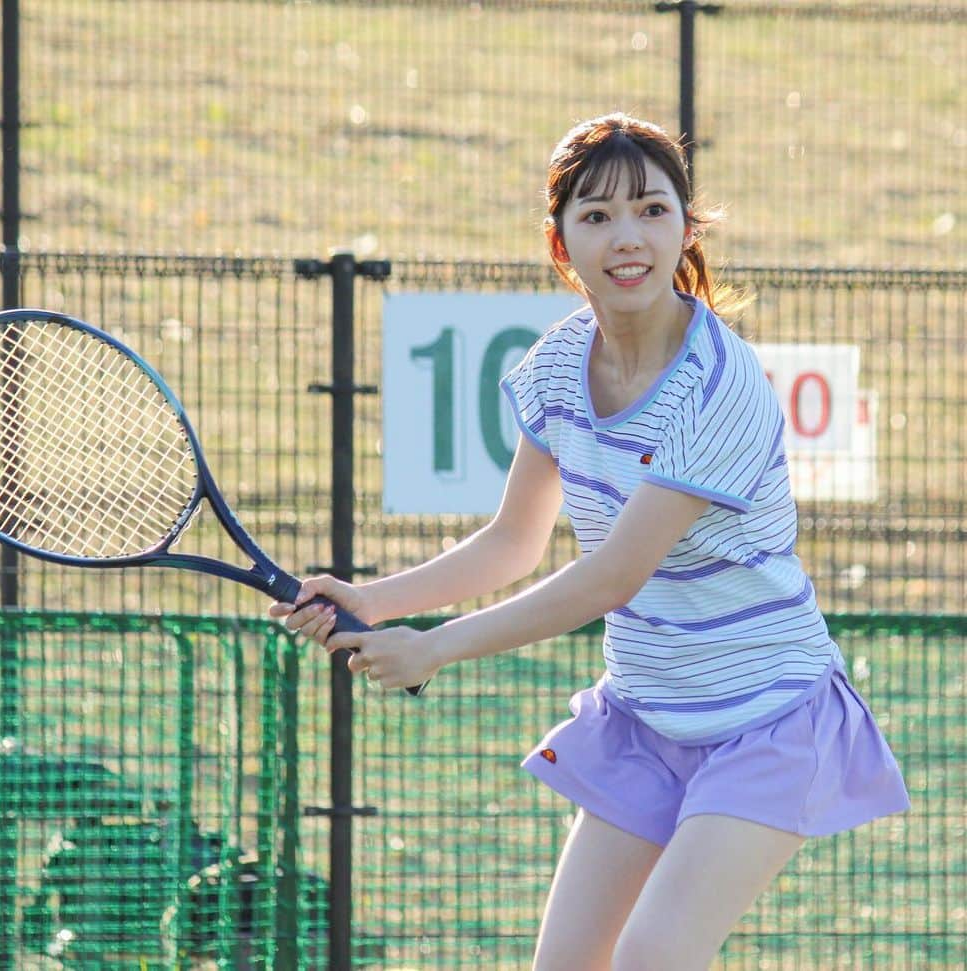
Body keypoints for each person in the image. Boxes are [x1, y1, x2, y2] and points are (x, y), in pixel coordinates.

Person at [270, 112, 910, 971]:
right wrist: (374, 599)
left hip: (769, 718)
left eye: (652, 209)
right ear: (561, 243)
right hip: (644, 715)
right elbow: (511, 541)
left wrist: (434, 648)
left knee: (653, 955)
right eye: (597, 216)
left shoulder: (721, 387)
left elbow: (608, 576)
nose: (629, 237)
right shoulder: (555, 367)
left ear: (687, 225)